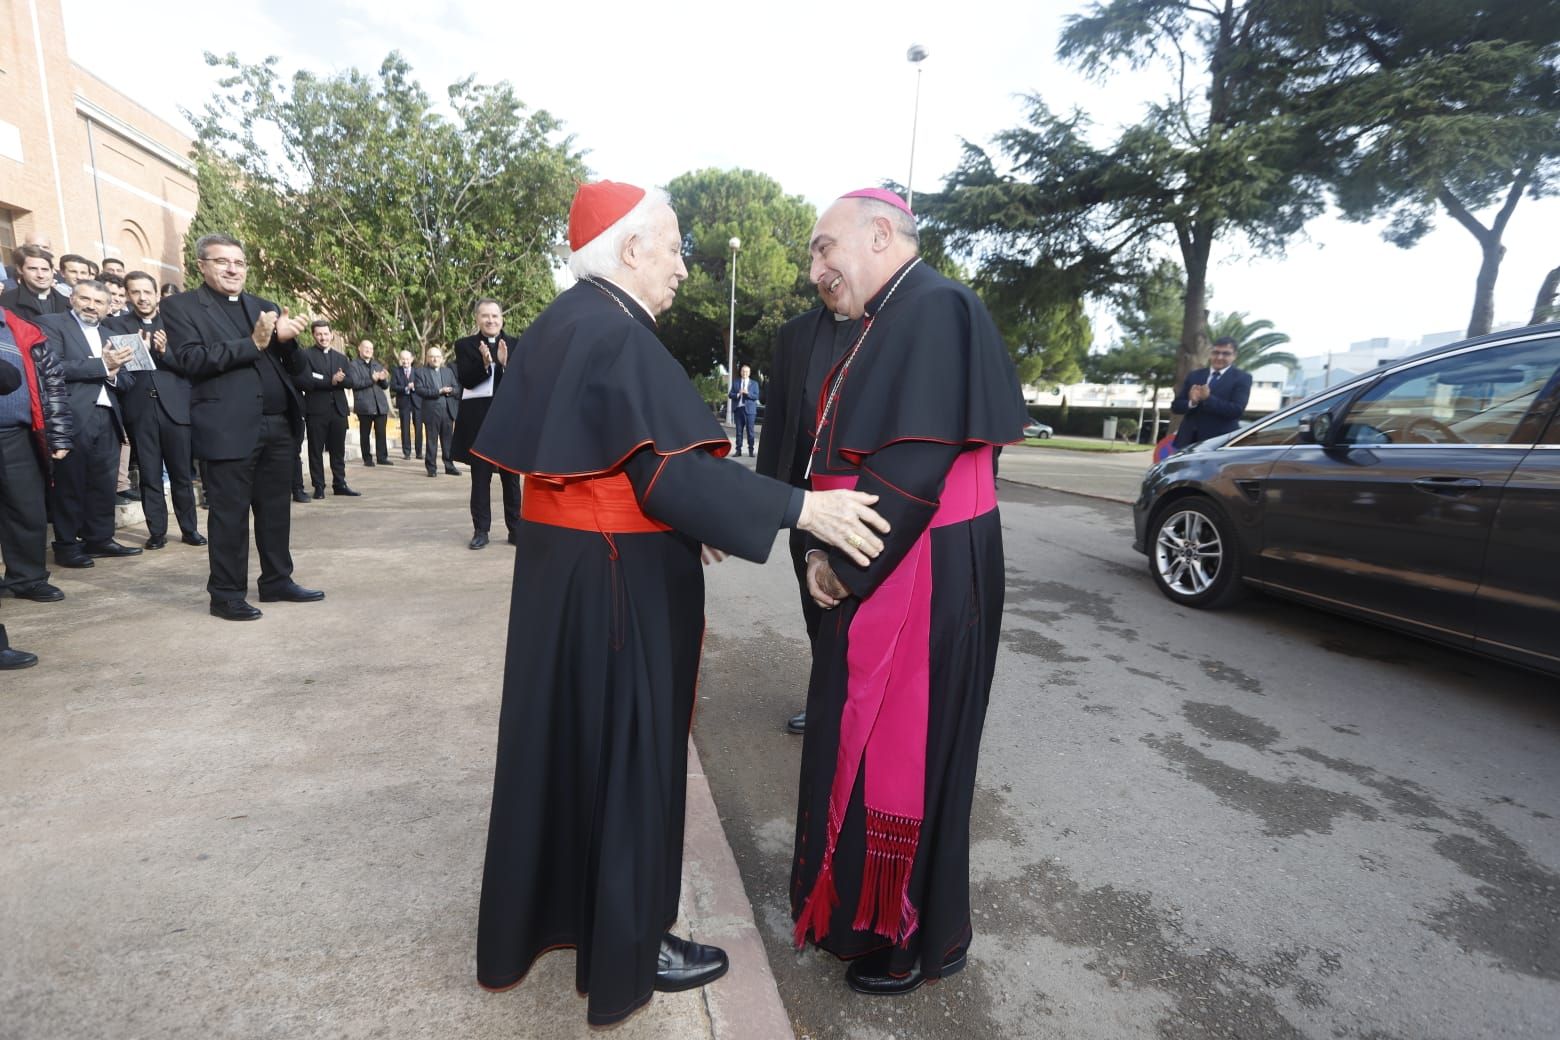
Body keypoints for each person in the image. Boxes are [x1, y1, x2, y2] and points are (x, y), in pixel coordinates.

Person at [471, 180, 891, 1027]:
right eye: (670, 249)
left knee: (573, 754)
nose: (681, 270)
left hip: (571, 574)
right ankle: (631, 947)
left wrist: (684, 516)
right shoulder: (616, 332)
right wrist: (801, 507)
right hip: (618, 582)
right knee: (629, 760)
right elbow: (663, 473)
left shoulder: (565, 321)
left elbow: (623, 470)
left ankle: (576, 919)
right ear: (630, 250)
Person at [788, 188, 1026, 997]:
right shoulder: (895, 313)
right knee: (905, 757)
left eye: (825, 248)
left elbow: (911, 470)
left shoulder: (930, 307)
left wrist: (838, 566)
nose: (815, 267)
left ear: (880, 233)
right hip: (922, 558)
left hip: (921, 568)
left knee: (912, 761)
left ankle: (901, 939)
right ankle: (881, 922)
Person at [162, 233, 324, 621]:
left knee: (274, 510)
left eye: (239, 262)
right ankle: (226, 594)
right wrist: (254, 342)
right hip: (227, 427)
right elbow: (190, 360)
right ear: (201, 266)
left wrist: (287, 342)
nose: (233, 269)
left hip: (278, 424)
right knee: (229, 515)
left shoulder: (263, 306)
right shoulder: (182, 307)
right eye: (222, 262)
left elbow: (294, 368)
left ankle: (276, 580)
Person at [756, 288, 861, 735]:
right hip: (807, 500)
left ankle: (862, 707)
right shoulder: (795, 334)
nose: (824, 273)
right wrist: (764, 503)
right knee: (815, 605)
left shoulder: (889, 324)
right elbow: (778, 421)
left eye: (832, 253)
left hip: (866, 501)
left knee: (862, 616)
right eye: (817, 257)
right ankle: (826, 701)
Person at [36, 281, 142, 567]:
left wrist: (113, 373)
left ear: (109, 308)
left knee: (103, 482)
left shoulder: (111, 333)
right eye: (85, 298)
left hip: (108, 416)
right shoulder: (51, 324)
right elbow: (51, 366)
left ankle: (99, 539)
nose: (91, 305)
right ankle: (67, 545)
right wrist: (102, 366)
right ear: (72, 298)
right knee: (70, 482)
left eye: (99, 302)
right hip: (70, 414)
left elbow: (128, 379)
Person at [107, 271, 204, 550]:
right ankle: (157, 532)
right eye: (135, 292)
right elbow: (117, 369)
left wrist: (164, 352)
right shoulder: (117, 326)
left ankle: (190, 529)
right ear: (127, 295)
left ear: (156, 294)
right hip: (141, 410)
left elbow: (190, 366)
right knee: (150, 475)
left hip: (175, 409)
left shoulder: (175, 325)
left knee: (181, 476)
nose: (142, 297)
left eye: (147, 291)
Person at [0, 303, 72, 610]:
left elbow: (52, 384)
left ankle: (27, 579)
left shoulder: (25, 331)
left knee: (25, 509)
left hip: (17, 434)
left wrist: (59, 433)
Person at [452, 300, 522, 549]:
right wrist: (485, 364)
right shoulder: (465, 345)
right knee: (480, 478)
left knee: (511, 479)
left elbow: (525, 380)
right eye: (485, 316)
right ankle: (481, 530)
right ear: (477, 319)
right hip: (478, 422)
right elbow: (466, 380)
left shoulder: (515, 345)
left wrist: (505, 364)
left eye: (495, 315)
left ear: (502, 318)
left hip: (508, 422)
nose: (491, 320)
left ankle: (516, 529)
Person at [294, 320, 358, 498]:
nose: (323, 337)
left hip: (338, 410)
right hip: (316, 410)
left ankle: (340, 483)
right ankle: (319, 486)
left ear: (332, 335)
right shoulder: (306, 355)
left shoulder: (341, 358)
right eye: (319, 334)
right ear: (314, 335)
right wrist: (331, 381)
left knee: (338, 450)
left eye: (326, 334)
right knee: (316, 450)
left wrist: (340, 380)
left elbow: (351, 381)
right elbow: (306, 381)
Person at [1170, 336, 1251, 448]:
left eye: (1226, 354)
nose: (1219, 357)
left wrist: (1208, 399)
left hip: (1218, 443)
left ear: (1234, 356)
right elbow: (1176, 406)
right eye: (1215, 352)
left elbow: (1236, 411)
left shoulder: (1242, 378)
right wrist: (1192, 403)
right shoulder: (1195, 375)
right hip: (1187, 441)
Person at [346, 338, 393, 467]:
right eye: (366, 348)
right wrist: (372, 379)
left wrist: (383, 379)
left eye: (371, 349)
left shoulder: (377, 365)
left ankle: (382, 457)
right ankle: (367, 458)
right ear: (359, 349)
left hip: (380, 405)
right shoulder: (353, 365)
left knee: (381, 433)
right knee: (365, 433)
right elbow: (355, 384)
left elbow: (384, 386)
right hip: (364, 405)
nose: (368, 350)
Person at [415, 346, 459, 476]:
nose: (435, 359)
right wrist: (439, 391)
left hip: (447, 411)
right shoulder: (420, 372)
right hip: (431, 411)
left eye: (438, 356)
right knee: (431, 441)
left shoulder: (448, 372)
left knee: (448, 441)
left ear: (442, 358)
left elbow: (457, 389)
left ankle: (449, 466)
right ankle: (431, 468)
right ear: (427, 358)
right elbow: (419, 390)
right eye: (432, 356)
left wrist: (451, 391)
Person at [0, 245, 70, 321]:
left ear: (52, 270)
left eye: (45, 269)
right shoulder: (5, 303)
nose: (40, 275)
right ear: (20, 269)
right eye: (33, 269)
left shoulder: (69, 304)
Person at [390, 349, 421, 460]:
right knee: (405, 427)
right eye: (403, 359)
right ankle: (406, 452)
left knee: (418, 427)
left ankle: (419, 452)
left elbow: (422, 385)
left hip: (416, 402)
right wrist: (406, 388)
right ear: (400, 360)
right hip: (403, 401)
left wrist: (414, 387)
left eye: (407, 359)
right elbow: (393, 386)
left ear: (411, 359)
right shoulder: (396, 371)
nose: (405, 361)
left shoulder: (417, 371)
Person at [727, 364, 760, 456]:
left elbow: (756, 396)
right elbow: (730, 395)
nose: (744, 373)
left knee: (750, 432)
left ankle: (751, 450)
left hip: (750, 411)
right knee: (738, 431)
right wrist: (738, 394)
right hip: (738, 410)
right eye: (743, 371)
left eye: (746, 371)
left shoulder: (754, 384)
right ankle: (738, 450)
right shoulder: (736, 382)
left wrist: (747, 393)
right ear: (741, 372)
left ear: (749, 373)